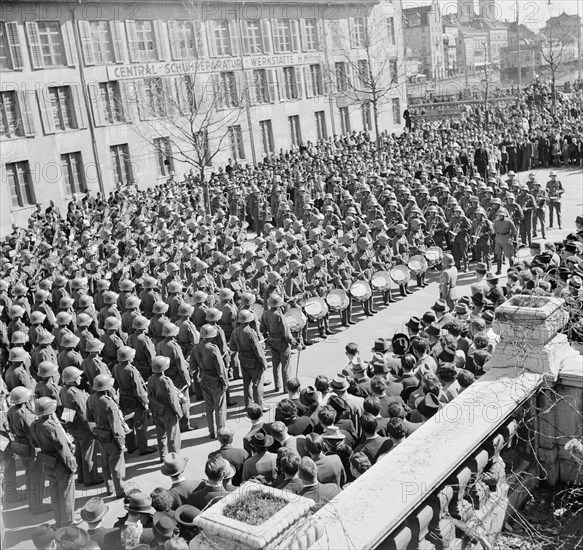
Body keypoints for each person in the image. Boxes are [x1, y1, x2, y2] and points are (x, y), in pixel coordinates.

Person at [30, 397, 77, 528]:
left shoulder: (35, 425)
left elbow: (34, 443)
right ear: (51, 411)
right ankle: (68, 522)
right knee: (67, 494)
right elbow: (63, 449)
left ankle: (58, 521)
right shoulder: (52, 427)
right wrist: (72, 465)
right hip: (61, 464)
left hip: (48, 462)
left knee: (54, 493)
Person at [59, 366, 102, 487]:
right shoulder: (76, 394)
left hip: (73, 426)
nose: (80, 378)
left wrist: (70, 427)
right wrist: (92, 429)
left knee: (79, 452)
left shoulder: (64, 391)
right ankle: (91, 478)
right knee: (89, 453)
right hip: (83, 427)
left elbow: (67, 412)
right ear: (72, 379)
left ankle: (82, 477)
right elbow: (84, 413)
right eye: (78, 376)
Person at [87, 374, 127, 499]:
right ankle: (120, 491)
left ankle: (109, 488)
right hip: (111, 436)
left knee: (105, 463)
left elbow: (89, 418)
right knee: (117, 465)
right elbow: (115, 425)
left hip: (100, 434)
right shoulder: (108, 402)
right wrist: (121, 442)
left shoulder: (90, 399)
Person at [112, 346, 154, 456]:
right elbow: (138, 390)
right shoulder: (131, 370)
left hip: (124, 399)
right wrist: (145, 402)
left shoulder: (116, 367)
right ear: (129, 358)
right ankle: (143, 448)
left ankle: (131, 446)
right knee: (140, 425)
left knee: (129, 423)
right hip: (134, 400)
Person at [191, 324, 228, 439]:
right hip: (215, 380)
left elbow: (192, 366)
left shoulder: (195, 348)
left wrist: (198, 377)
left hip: (204, 380)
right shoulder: (213, 348)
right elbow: (220, 368)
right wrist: (225, 382)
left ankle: (211, 431)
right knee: (220, 407)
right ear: (211, 336)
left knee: (209, 407)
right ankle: (221, 431)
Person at [229, 310, 269, 410]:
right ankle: (259, 406)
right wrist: (264, 362)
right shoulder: (251, 332)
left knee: (246, 384)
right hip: (254, 361)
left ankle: (248, 405)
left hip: (242, 359)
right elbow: (257, 349)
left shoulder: (235, 331)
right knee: (257, 384)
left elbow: (232, 347)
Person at [148, 356, 183, 460]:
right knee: (173, 436)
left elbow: (149, 395)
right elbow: (173, 399)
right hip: (168, 412)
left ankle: (163, 456)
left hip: (157, 410)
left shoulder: (150, 379)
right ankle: (174, 459)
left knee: (161, 435)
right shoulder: (166, 380)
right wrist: (179, 412)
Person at [260, 294, 297, 392]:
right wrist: (294, 342)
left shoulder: (265, 314)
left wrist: (268, 338)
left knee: (275, 366)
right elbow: (286, 333)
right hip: (282, 343)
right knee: (285, 366)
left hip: (272, 342)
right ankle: (286, 388)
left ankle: (277, 386)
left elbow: (262, 329)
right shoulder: (279, 316)